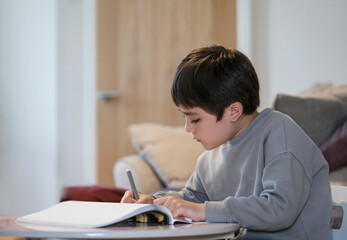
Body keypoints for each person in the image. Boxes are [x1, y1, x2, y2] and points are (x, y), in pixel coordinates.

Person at [121, 45, 332, 239]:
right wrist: (153, 204)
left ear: (233, 111)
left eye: (195, 119)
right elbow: (192, 198)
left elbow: (279, 208)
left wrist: (203, 211)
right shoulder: (209, 157)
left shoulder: (280, 133)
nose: (187, 128)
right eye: (184, 118)